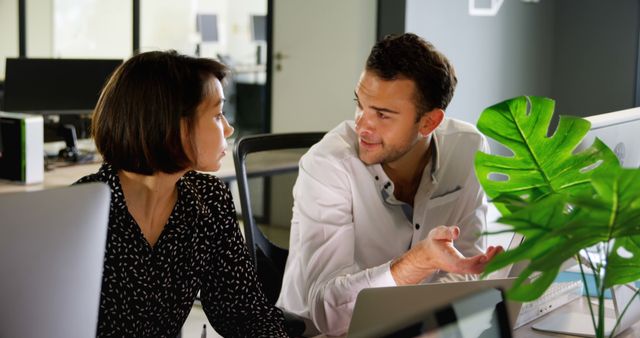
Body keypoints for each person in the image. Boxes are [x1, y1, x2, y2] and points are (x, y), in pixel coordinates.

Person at [276, 33, 503, 336]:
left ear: (429, 123)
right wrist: (416, 263)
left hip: (415, 325)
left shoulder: (467, 147)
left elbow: (465, 265)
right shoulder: (327, 165)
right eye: (360, 105)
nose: (361, 125)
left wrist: (428, 322)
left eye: (382, 114)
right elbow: (326, 312)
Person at [75, 51, 287, 337]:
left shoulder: (209, 199)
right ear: (172, 124)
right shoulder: (81, 209)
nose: (228, 127)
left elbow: (243, 312)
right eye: (216, 114)